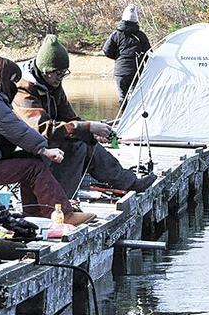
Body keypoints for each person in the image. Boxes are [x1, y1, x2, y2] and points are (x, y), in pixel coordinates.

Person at [14, 34, 157, 197]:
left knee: (87, 143)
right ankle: (59, 201)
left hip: (49, 141)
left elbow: (70, 118)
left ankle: (130, 183)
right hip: (31, 146)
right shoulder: (23, 91)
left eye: (64, 73)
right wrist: (87, 127)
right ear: (46, 71)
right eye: (58, 74)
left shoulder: (53, 84)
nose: (61, 78)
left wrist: (91, 132)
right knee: (78, 147)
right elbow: (43, 128)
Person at [0, 57, 97, 226]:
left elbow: (16, 126)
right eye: (14, 81)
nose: (15, 86)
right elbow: (14, 128)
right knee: (33, 167)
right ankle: (64, 214)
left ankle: (36, 211)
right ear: (7, 78)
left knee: (32, 160)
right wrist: (43, 149)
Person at [102, 3, 151, 103]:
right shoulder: (141, 36)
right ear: (136, 20)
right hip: (136, 71)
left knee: (122, 97)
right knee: (136, 97)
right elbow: (149, 54)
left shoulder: (116, 34)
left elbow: (106, 51)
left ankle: (124, 116)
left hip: (121, 71)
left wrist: (118, 57)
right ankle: (135, 118)